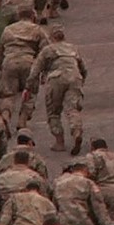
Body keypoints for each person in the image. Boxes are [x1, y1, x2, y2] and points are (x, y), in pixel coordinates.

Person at [26, 24, 88, 155]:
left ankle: (59, 142)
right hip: (74, 77)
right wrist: (81, 80)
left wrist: (30, 85)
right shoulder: (73, 48)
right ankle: (76, 131)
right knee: (72, 109)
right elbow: (83, 68)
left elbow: (35, 70)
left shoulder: (48, 50)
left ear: (51, 37)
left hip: (56, 78)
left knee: (53, 112)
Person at [0, 6, 48, 130]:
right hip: (29, 62)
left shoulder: (8, 30)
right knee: (30, 93)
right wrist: (43, 70)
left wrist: (1, 66)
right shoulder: (37, 30)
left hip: (9, 61)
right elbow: (45, 51)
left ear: (18, 16)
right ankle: (22, 120)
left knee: (8, 94)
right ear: (33, 16)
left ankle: (6, 115)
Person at [0, 150, 51, 216]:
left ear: (14, 161)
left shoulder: (1, 177)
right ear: (28, 162)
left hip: (4, 211)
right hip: (28, 212)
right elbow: (44, 197)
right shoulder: (35, 177)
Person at [86, 137, 114, 225]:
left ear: (92, 147)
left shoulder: (92, 156)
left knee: (98, 219)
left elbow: (91, 173)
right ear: (106, 147)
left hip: (100, 191)